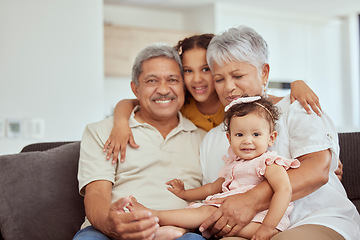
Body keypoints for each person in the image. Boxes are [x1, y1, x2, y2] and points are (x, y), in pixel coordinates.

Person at [194, 25, 360, 240]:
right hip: (251, 228)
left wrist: (252, 198)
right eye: (219, 79)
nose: (228, 88)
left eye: (238, 75)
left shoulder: (297, 107)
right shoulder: (213, 138)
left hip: (315, 217)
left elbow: (318, 169)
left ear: (264, 73)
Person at [103, 33, 322, 164]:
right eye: (187, 71)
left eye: (206, 69)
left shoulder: (233, 99)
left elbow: (269, 102)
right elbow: (133, 102)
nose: (197, 79)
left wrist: (297, 84)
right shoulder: (181, 101)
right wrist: (121, 123)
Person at [73, 43, 206, 240]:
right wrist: (111, 226)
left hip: (180, 233)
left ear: (183, 87)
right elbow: (97, 194)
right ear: (135, 89)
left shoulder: (205, 139)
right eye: (151, 80)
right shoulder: (102, 131)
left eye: (172, 80)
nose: (163, 89)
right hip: (110, 231)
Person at [126, 96, 301, 240]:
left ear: (271, 138)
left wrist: (268, 228)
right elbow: (212, 187)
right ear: (229, 138)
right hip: (233, 218)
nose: (247, 140)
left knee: (207, 213)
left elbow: (285, 190)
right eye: (239, 134)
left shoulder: (268, 162)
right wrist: (184, 194)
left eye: (256, 134)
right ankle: (177, 230)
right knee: (203, 210)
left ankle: (153, 215)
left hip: (262, 222)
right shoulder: (233, 164)